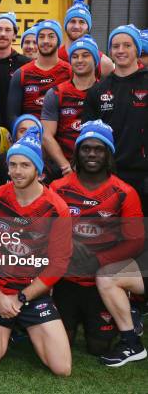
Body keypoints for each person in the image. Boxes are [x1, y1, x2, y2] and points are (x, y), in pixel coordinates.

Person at [0, 127, 72, 376]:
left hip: (33, 291)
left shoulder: (56, 207)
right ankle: (11, 327)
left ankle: (22, 325)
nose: (17, 171)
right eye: (13, 165)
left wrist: (21, 298)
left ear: (39, 172)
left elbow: (59, 264)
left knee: (62, 368)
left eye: (25, 165)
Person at [50, 120, 144, 356]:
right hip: (67, 280)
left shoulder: (125, 192)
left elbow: (135, 242)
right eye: (86, 148)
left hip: (100, 280)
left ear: (108, 154)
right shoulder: (58, 188)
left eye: (99, 149)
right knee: (63, 343)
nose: (92, 153)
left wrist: (99, 259)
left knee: (98, 347)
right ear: (77, 153)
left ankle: (126, 309)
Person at [83, 24, 148, 214]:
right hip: (108, 174)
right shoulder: (98, 90)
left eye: (127, 45)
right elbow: (89, 136)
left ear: (137, 49)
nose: (120, 51)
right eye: (116, 46)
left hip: (143, 174)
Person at [41, 36, 100, 179]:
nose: (79, 60)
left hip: (98, 168)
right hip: (63, 169)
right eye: (74, 56)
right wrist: (66, 166)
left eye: (85, 55)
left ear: (95, 60)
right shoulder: (56, 93)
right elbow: (46, 135)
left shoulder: (106, 92)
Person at [7, 20, 72, 127]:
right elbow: (12, 116)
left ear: (59, 41)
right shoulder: (22, 73)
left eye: (51, 36)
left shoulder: (69, 71)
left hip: (60, 138)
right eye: (41, 36)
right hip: (29, 137)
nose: (46, 41)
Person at [0, 12, 31, 130]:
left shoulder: (26, 65)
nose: (3, 34)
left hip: (18, 132)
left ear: (14, 35)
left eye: (8, 30)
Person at [59, 0, 114, 77]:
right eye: (72, 21)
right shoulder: (56, 57)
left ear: (88, 27)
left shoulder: (103, 62)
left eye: (82, 22)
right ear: (65, 25)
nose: (76, 26)